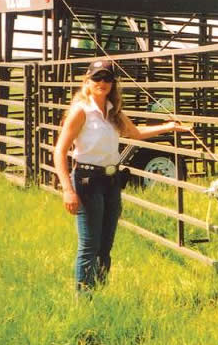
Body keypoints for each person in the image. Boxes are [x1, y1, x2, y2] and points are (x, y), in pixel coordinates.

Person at [54, 60, 191, 293]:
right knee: (89, 245)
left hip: (111, 181)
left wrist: (168, 127)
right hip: (87, 182)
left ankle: (100, 291)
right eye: (97, 78)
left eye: (107, 78)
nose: (102, 83)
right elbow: (59, 150)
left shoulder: (112, 110)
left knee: (106, 244)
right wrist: (68, 189)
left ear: (113, 83)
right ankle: (83, 299)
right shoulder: (81, 111)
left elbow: (135, 133)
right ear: (87, 81)